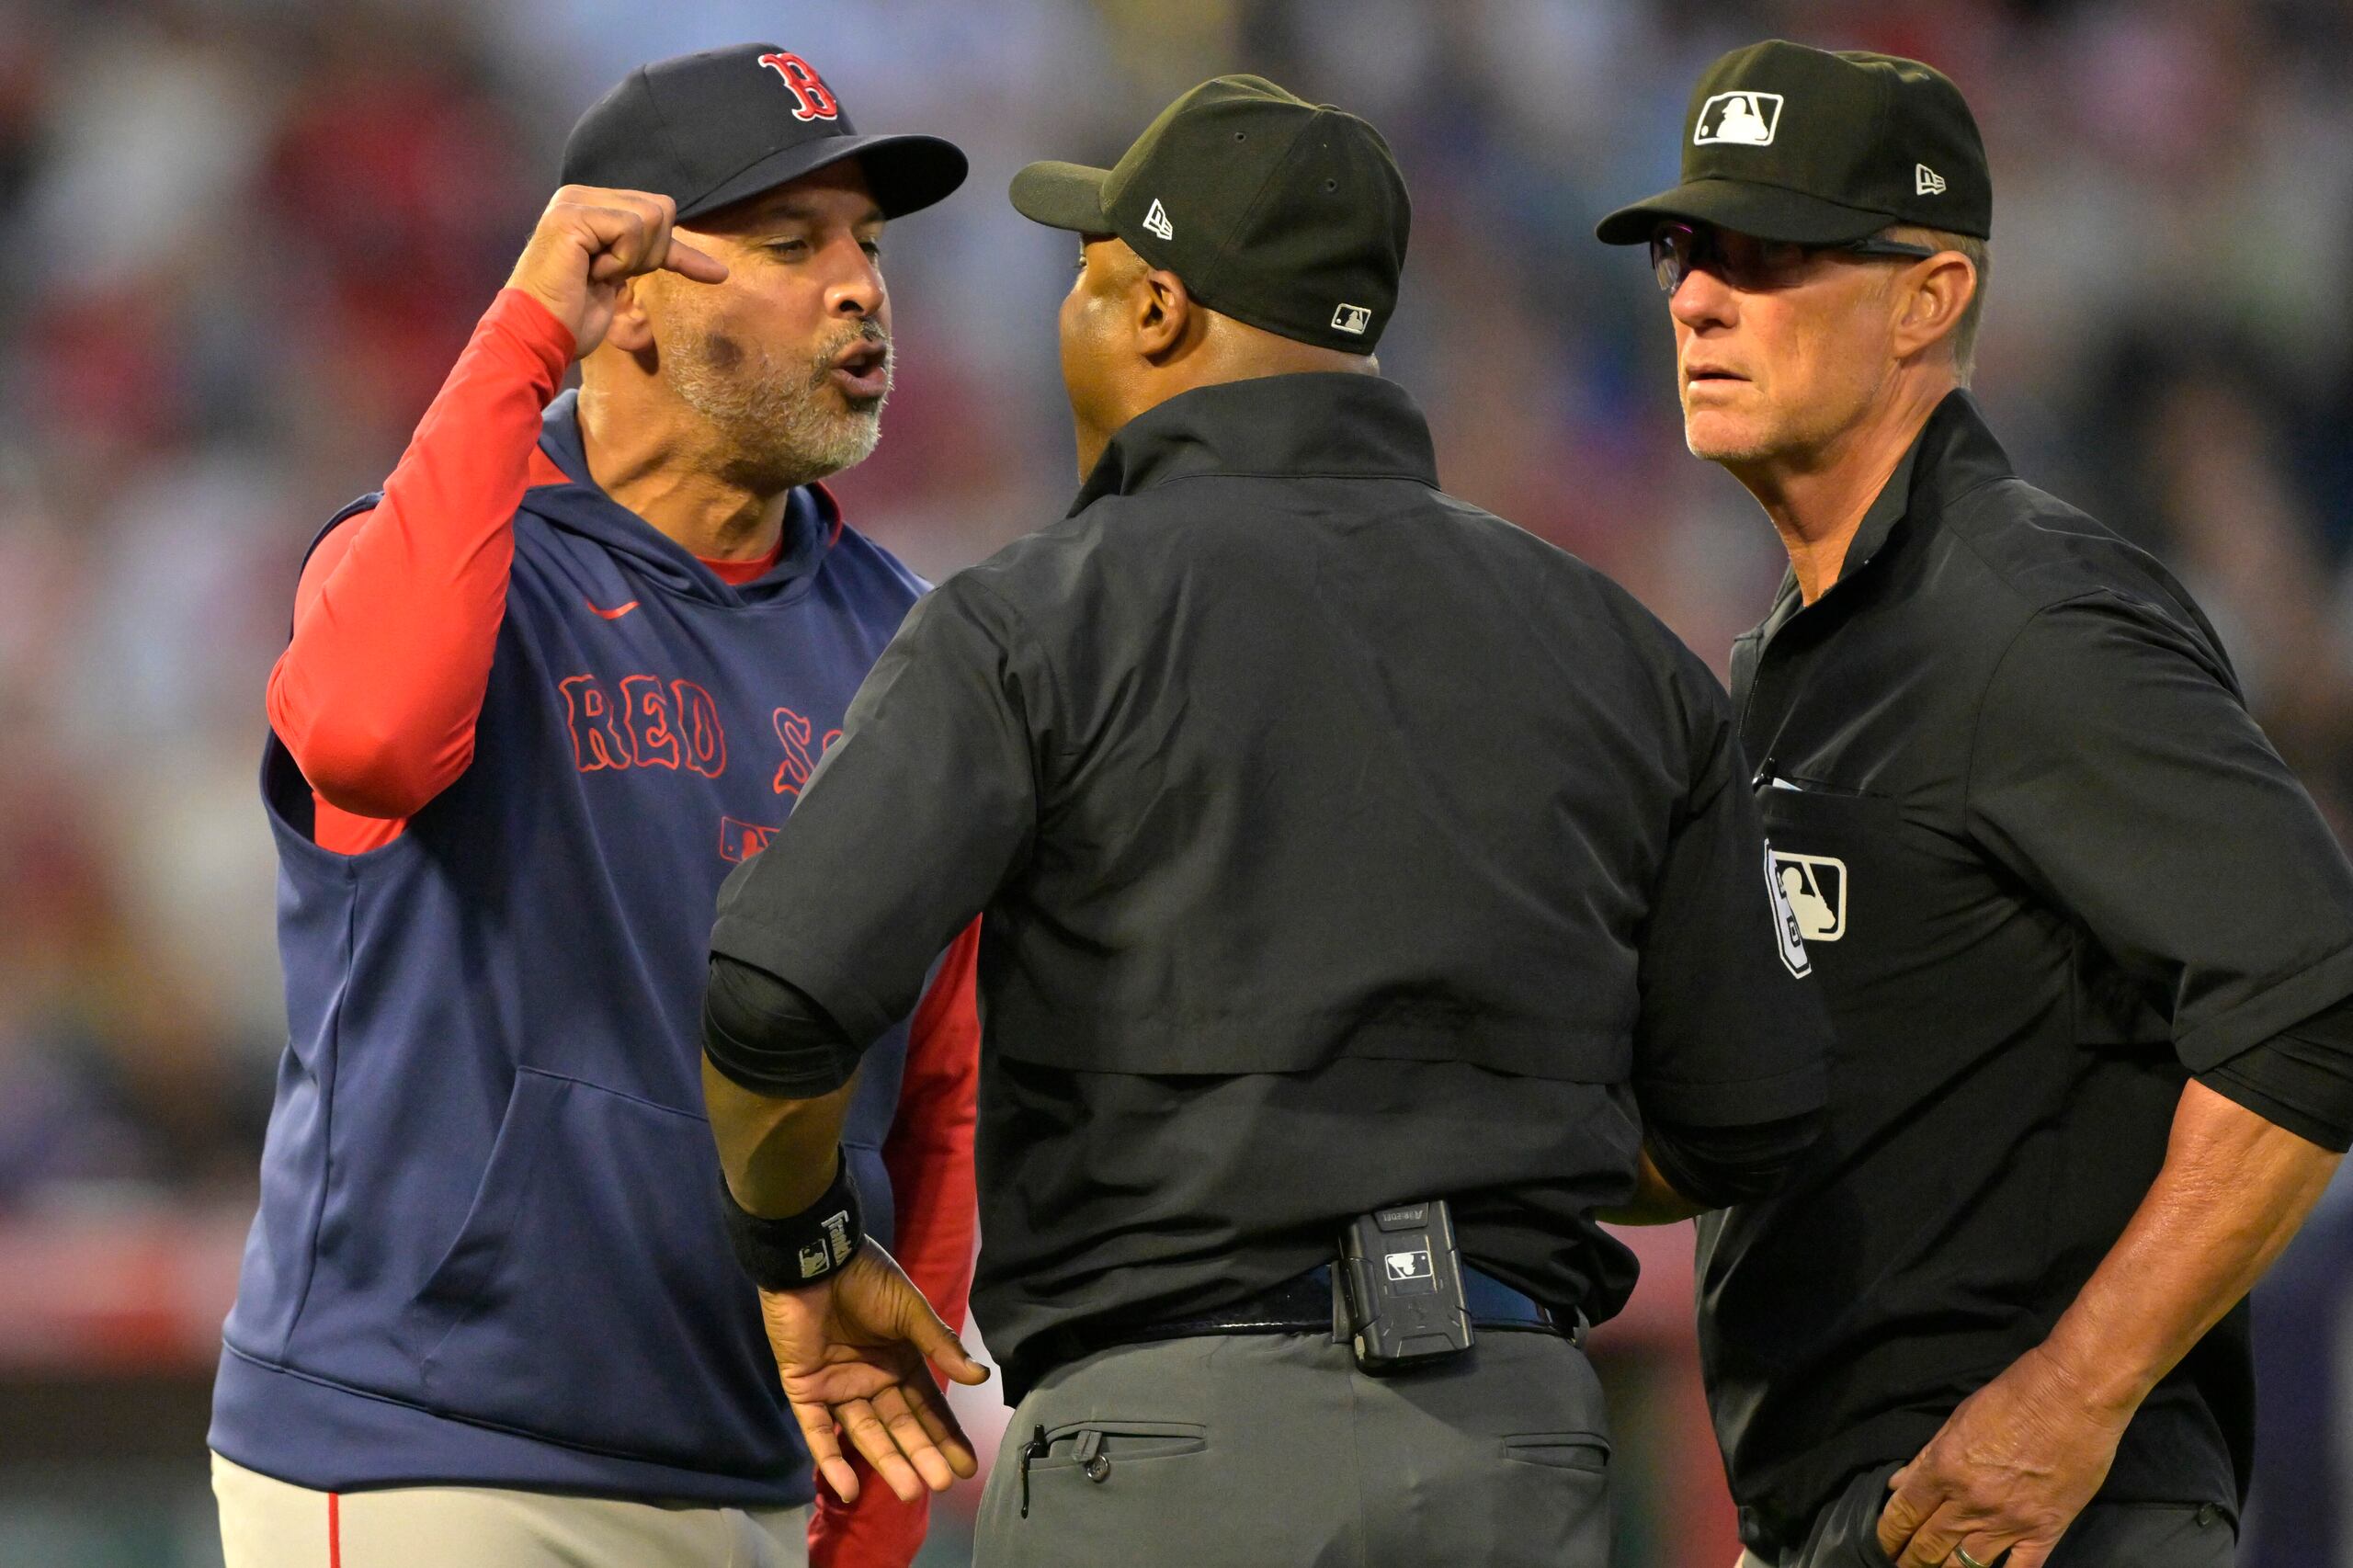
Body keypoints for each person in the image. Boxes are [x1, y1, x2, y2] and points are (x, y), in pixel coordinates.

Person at [691, 74, 1832, 1568]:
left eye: (1094, 282)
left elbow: (773, 997)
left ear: (1160, 312)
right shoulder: (1618, 650)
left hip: (1171, 1444)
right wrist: (1467, 1134)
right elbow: (1746, 1113)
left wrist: (807, 1247)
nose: (1073, 321)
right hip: (1515, 1442)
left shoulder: (1039, 617)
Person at [210, 43, 981, 1568]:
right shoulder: (451, 554)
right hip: (434, 1451)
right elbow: (365, 735)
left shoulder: (913, 642)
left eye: (869, 247)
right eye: (787, 244)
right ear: (623, 287)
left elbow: (939, 1096)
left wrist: (874, 1520)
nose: (858, 288)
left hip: (749, 1473)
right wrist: (519, 334)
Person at [1597, 39, 2353, 1568]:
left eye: (1768, 253)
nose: (1694, 296)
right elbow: (1765, 1113)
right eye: (1687, 250)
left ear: (1930, 297)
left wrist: (2071, 1400)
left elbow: (2314, 993)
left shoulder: (2027, 619)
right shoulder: (1795, 661)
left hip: (2051, 1516)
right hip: (1860, 1518)